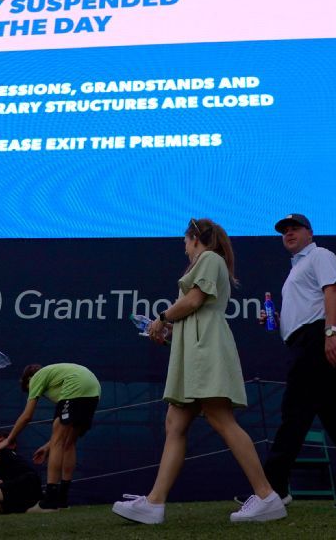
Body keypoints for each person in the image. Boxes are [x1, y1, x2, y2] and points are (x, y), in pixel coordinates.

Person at [112, 218, 287, 525]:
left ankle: (266, 496)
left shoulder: (208, 258)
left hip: (206, 349)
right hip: (195, 350)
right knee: (174, 422)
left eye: (185, 238)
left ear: (195, 238)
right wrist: (169, 331)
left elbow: (193, 301)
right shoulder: (210, 262)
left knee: (220, 418)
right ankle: (154, 503)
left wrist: (162, 318)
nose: (183, 245)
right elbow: (193, 309)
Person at [258, 212, 336, 503]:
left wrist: (331, 332)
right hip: (303, 340)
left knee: (294, 412)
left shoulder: (320, 254)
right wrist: (278, 318)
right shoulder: (296, 268)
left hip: (315, 340)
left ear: (310, 232)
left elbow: (333, 291)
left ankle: (272, 489)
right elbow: (305, 308)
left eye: (295, 228)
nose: (289, 233)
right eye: (284, 230)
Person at [1, 362, 102, 510]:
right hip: (94, 390)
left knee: (58, 442)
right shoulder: (54, 377)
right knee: (68, 443)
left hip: (76, 384)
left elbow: (27, 416)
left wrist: (8, 440)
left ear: (28, 379)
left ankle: (49, 500)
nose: (35, 394)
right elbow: (63, 429)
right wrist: (47, 446)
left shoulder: (35, 378)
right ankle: (62, 499)